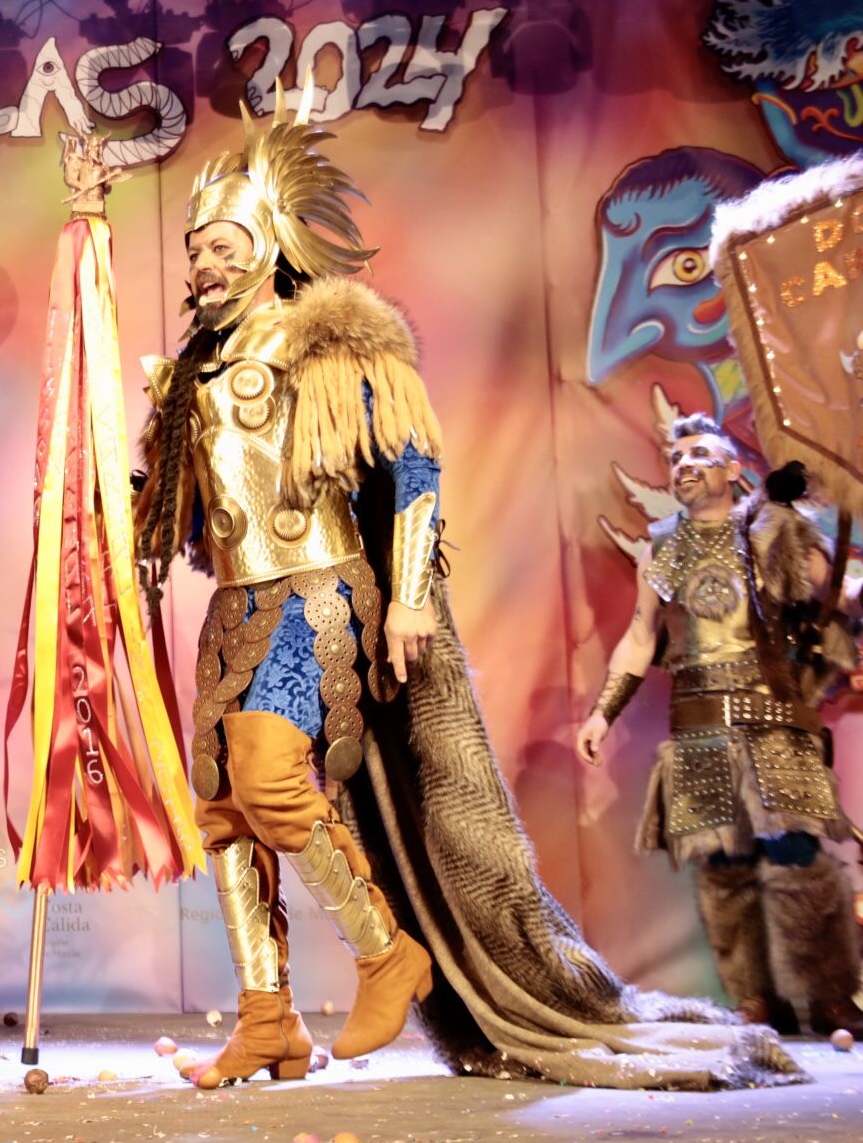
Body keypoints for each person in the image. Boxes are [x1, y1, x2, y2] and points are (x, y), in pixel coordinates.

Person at [132, 90, 800, 1090]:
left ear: (269, 242)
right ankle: (267, 1016)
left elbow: (410, 471)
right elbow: (181, 518)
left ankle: (384, 951)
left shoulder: (334, 341)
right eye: (196, 249)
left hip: (319, 593)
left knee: (274, 777)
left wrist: (405, 597)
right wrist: (135, 467)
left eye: (224, 242)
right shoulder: (191, 377)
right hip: (234, 608)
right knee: (227, 808)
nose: (206, 262)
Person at [576, 415, 863, 1035]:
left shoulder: (776, 529)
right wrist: (603, 711)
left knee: (796, 860)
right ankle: (755, 1002)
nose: (683, 464)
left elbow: (837, 595)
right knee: (723, 868)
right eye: (675, 456)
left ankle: (829, 998)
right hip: (699, 728)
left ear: (734, 470)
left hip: (775, 722)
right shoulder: (661, 542)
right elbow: (638, 635)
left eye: (700, 453)